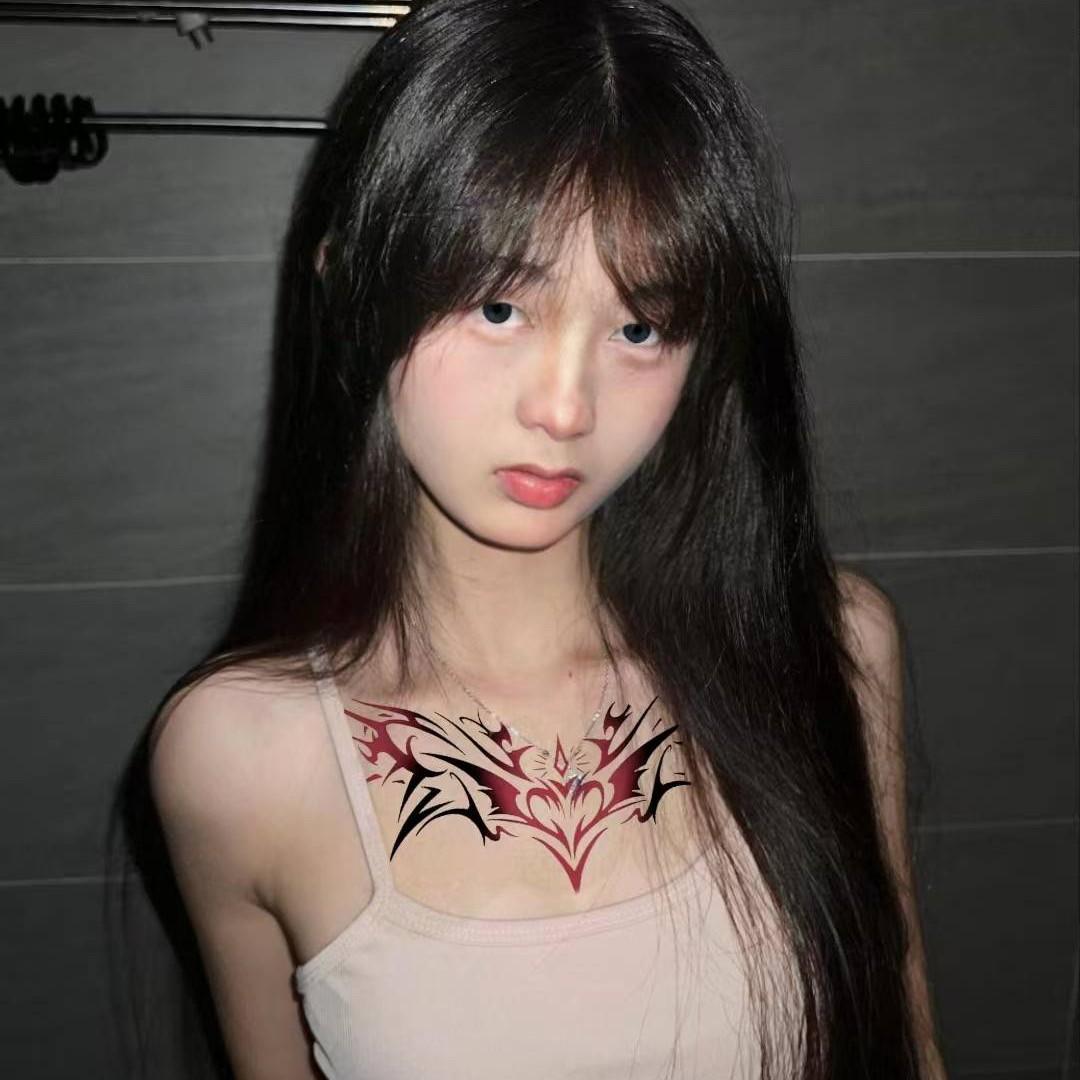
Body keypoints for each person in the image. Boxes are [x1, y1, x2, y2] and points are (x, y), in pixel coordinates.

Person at [109, 0, 949, 1077]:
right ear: (350, 286)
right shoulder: (239, 757)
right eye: (499, 308)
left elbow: (907, 1046)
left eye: (640, 327)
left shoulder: (830, 650)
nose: (565, 407)